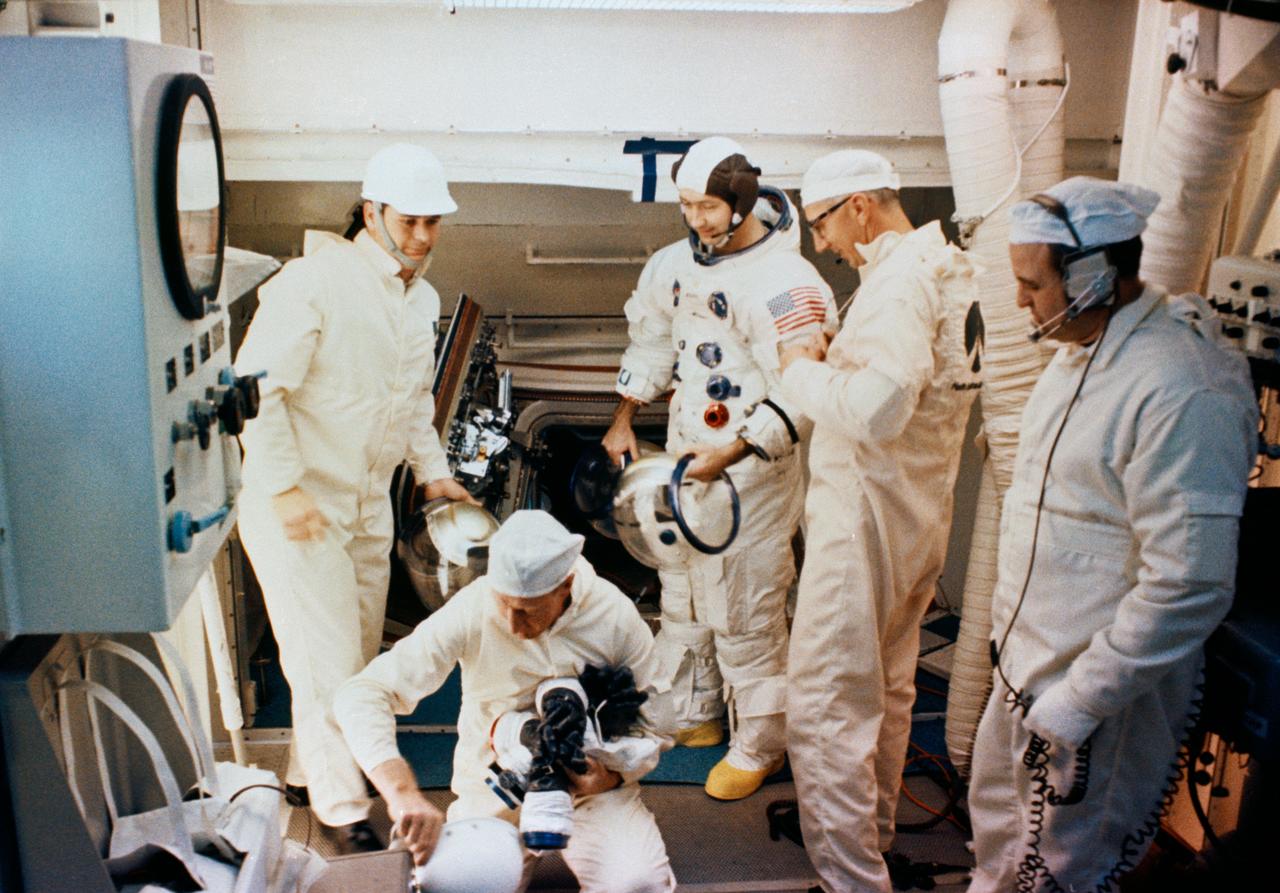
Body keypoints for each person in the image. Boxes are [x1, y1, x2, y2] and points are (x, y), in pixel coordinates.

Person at [966, 177, 1258, 890]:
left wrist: (1082, 697)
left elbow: (1188, 584)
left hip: (1094, 696)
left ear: (1094, 275)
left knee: (1063, 869)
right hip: (1028, 670)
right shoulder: (1080, 355)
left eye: (1031, 285)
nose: (1019, 302)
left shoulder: (1182, 387)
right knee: (1001, 845)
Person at [235, 143, 475, 850]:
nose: (424, 237)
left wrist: (431, 471)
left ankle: (310, 774)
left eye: (435, 223)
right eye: (410, 221)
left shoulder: (418, 297)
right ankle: (342, 815)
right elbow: (256, 391)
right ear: (370, 211)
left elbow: (410, 403)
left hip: (364, 508)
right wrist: (282, 488)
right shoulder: (312, 281)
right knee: (324, 661)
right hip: (298, 507)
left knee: (359, 658)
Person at [602, 136, 837, 800]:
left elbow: (802, 391)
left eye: (707, 206)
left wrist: (733, 451)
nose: (697, 219)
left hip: (752, 471)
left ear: (741, 200)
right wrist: (625, 415)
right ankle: (696, 712)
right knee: (682, 590)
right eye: (686, 205)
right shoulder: (672, 265)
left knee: (743, 603)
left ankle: (761, 742)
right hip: (686, 461)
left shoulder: (789, 284)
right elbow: (649, 338)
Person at [779, 149, 982, 891]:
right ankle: (874, 843)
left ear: (861, 205)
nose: (822, 244)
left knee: (827, 707)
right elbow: (910, 385)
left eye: (823, 224)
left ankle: (851, 881)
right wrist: (844, 360)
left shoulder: (897, 285)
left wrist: (800, 366)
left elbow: (880, 408)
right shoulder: (948, 271)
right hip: (916, 516)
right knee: (888, 694)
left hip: (863, 524)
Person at [333, 510, 677, 893]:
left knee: (637, 884)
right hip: (496, 785)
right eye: (504, 605)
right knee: (453, 887)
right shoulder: (473, 607)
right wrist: (402, 794)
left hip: (589, 787)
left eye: (527, 612)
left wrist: (610, 776)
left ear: (565, 586)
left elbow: (657, 724)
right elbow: (361, 694)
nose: (512, 625)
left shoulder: (615, 617)